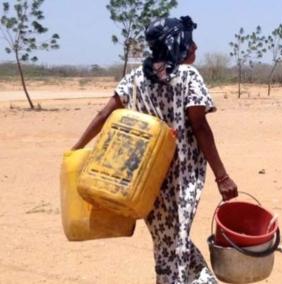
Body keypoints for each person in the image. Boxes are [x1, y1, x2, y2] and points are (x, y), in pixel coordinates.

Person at [71, 16, 237, 284]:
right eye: (189, 42)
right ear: (177, 44)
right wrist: (222, 176)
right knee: (173, 241)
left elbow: (104, 114)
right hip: (181, 178)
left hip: (143, 179)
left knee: (169, 239)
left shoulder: (135, 77)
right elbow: (201, 127)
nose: (195, 47)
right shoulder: (187, 76)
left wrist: (76, 148)